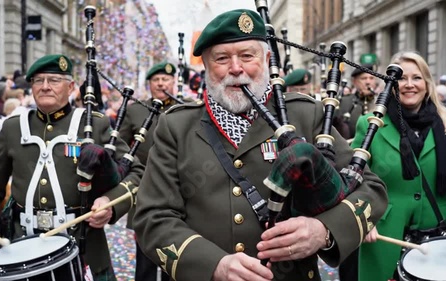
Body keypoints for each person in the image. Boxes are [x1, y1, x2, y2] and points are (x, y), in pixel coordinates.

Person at [133, 9, 387, 281]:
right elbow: (152, 216)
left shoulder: (305, 115)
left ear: (266, 59)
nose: (236, 68)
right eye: (221, 59)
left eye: (247, 55)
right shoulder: (176, 126)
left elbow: (371, 190)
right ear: (206, 66)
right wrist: (212, 265)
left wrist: (323, 231)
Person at [0, 54, 144, 281]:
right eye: (38, 80)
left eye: (54, 80)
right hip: (21, 246)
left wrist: (110, 204)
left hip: (84, 249)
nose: (45, 87)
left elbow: (136, 173)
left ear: (71, 87)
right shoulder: (13, 128)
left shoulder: (95, 124)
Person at [352, 51, 446, 281]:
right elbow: (352, 179)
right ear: (391, 83)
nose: (409, 85)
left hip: (439, 239)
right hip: (384, 238)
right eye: (401, 78)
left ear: (427, 84)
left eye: (417, 78)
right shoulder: (370, 124)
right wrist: (362, 219)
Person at [119, 61, 178, 281]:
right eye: (156, 80)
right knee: (145, 257)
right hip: (144, 191)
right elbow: (121, 148)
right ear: (149, 84)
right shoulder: (135, 110)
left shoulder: (186, 108)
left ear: (173, 82)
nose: (161, 83)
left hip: (180, 190)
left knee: (176, 256)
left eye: (165, 79)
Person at [338, 64, 377, 139]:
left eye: (371, 78)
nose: (368, 82)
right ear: (355, 82)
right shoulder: (344, 102)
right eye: (364, 78)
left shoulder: (381, 104)